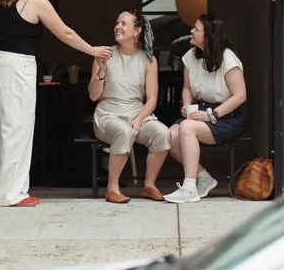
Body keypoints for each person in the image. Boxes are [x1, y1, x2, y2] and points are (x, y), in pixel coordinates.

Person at [0, 0, 109, 208]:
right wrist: (92, 50)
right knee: (18, 127)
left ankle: (2, 190)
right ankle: (12, 194)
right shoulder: (36, 1)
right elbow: (65, 32)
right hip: (17, 65)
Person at [162, 13, 247, 204]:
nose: (191, 31)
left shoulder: (227, 58)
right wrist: (186, 104)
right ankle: (203, 177)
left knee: (186, 128)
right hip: (200, 110)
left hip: (227, 115)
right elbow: (186, 87)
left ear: (209, 36)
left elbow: (240, 95)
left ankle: (189, 187)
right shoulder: (191, 56)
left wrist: (212, 115)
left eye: (196, 29)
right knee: (169, 136)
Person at [90, 11, 171, 203]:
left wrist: (139, 119)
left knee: (162, 133)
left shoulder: (148, 59)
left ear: (137, 31)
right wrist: (101, 70)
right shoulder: (104, 55)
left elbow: (152, 99)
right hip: (108, 113)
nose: (118, 26)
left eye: (124, 24)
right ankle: (113, 189)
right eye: (117, 22)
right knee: (124, 132)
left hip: (136, 112)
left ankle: (149, 186)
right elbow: (93, 96)